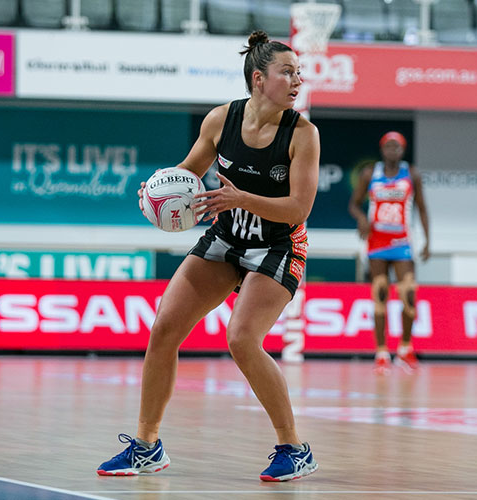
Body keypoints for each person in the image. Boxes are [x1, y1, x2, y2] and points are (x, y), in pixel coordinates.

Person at [97, 31, 321, 482]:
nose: (298, 80)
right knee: (164, 329)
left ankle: (294, 448)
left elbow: (298, 209)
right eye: (288, 72)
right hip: (227, 239)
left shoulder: (303, 134)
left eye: (298, 72)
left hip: (278, 244)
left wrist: (240, 198)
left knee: (241, 339)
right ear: (259, 79)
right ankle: (146, 446)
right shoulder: (221, 120)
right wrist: (157, 192)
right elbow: (189, 172)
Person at [348, 131, 431, 374]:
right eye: (388, 146)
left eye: (397, 146)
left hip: (402, 242)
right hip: (377, 242)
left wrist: (427, 240)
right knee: (380, 294)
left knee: (409, 294)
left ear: (402, 150)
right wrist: (362, 218)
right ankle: (382, 352)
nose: (392, 150)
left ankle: (405, 348)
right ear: (382, 149)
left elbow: (423, 208)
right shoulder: (370, 173)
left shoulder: (411, 173)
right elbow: (353, 204)